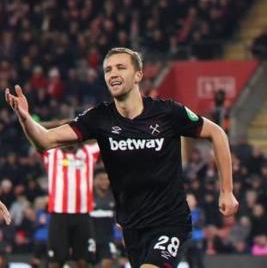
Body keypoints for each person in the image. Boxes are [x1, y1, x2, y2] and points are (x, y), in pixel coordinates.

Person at [5, 47, 239, 268]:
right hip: (132, 226)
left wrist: (226, 190)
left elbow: (216, 133)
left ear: (138, 75)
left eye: (120, 68)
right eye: (108, 70)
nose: (113, 74)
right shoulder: (99, 118)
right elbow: (45, 141)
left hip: (171, 222)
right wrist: (25, 119)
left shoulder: (167, 112)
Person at [41, 141, 100, 268]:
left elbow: (103, 134)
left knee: (84, 261)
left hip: (83, 215)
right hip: (59, 215)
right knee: (56, 262)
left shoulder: (88, 152)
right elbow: (35, 135)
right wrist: (57, 125)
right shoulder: (51, 153)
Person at [91, 171, 116, 268]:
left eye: (107, 179)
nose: (105, 182)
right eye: (101, 179)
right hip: (91, 236)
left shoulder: (114, 196)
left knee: (107, 263)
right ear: (94, 181)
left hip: (107, 237)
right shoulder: (88, 196)